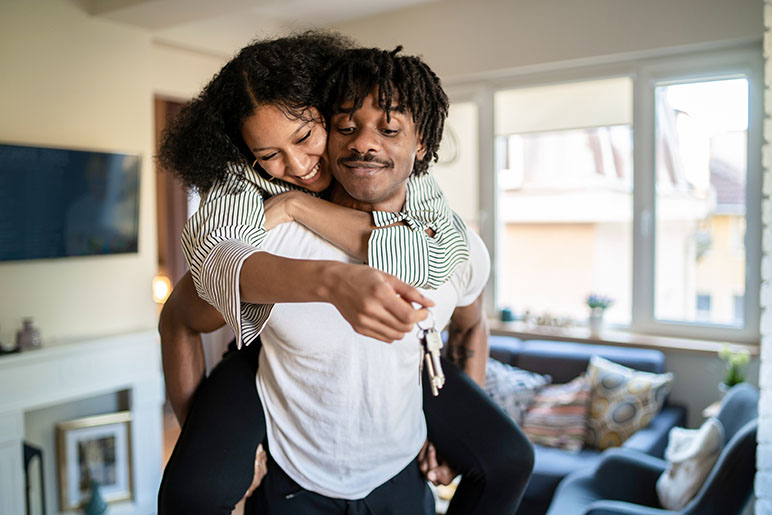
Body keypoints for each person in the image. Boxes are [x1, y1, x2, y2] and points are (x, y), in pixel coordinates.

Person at [159, 35, 534, 514]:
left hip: (400, 476)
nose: (364, 143)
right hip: (293, 477)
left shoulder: (450, 240)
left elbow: (463, 313)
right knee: (192, 494)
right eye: (347, 126)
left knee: (511, 459)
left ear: (422, 145)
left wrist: (451, 430)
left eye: (389, 130)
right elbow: (200, 286)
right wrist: (207, 445)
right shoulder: (260, 218)